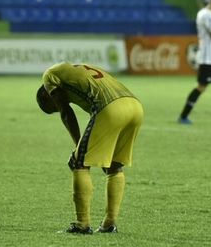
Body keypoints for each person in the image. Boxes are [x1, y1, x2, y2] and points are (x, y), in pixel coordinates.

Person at [36, 62, 144, 234]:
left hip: (110, 107)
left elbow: (66, 111)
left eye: (52, 107)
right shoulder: (76, 69)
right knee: (114, 166)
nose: (56, 107)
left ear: (45, 95)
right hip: (135, 107)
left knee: (79, 163)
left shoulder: (49, 76)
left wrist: (79, 147)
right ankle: (109, 223)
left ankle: (82, 224)